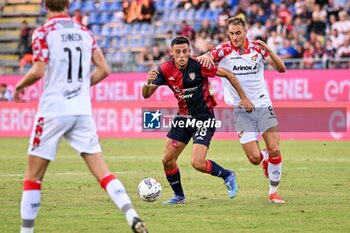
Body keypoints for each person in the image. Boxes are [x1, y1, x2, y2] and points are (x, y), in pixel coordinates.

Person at [13, 1, 147, 233]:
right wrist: (82, 87)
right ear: (67, 4)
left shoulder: (43, 33)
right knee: (102, 171)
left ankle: (26, 231)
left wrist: (18, 86)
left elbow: (38, 70)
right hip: (81, 110)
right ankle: (131, 215)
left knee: (33, 176)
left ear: (45, 6)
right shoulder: (84, 32)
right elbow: (104, 69)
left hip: (53, 110)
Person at [142, 36, 254, 204]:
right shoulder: (164, 69)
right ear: (171, 52)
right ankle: (179, 196)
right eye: (178, 52)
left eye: (185, 51)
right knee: (167, 160)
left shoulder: (200, 65)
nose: (181, 55)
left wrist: (244, 98)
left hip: (203, 119)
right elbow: (146, 94)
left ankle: (227, 175)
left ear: (190, 51)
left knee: (198, 163)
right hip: (183, 118)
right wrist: (147, 83)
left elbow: (228, 74)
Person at [199, 17, 286, 203]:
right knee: (254, 158)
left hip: (262, 103)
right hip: (240, 110)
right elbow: (207, 57)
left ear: (246, 32)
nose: (235, 37)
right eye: (231, 33)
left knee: (275, 149)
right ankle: (264, 158)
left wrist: (269, 49)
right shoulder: (224, 50)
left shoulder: (257, 48)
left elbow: (281, 69)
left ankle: (273, 192)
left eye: (238, 33)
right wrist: (205, 57)